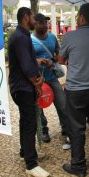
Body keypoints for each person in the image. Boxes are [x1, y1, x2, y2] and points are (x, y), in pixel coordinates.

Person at [58, 3, 89, 177]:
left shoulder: (69, 37)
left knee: (77, 128)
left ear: (82, 18)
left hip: (76, 90)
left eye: (78, 15)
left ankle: (79, 166)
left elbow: (61, 60)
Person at [8, 7, 50, 177]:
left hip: (24, 87)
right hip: (23, 88)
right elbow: (26, 67)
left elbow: (28, 61)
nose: (35, 20)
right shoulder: (20, 37)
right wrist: (37, 83)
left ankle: (25, 151)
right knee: (29, 123)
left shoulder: (23, 36)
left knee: (25, 121)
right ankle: (31, 164)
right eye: (33, 17)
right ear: (26, 17)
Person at [31, 13, 70, 149]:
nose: (44, 25)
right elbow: (26, 59)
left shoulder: (52, 37)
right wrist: (38, 61)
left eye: (45, 22)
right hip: (37, 80)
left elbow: (58, 54)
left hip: (51, 77)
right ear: (34, 23)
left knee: (62, 102)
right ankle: (43, 131)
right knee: (39, 107)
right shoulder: (30, 39)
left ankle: (65, 127)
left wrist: (52, 61)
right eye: (41, 22)